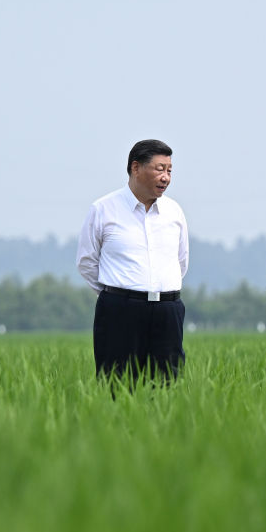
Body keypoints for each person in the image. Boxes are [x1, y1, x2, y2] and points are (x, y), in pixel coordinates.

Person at [76, 139, 189, 383]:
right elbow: (86, 262)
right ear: (136, 168)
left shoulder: (174, 212)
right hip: (120, 312)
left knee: (168, 387)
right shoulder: (103, 209)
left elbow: (181, 261)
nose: (166, 177)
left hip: (168, 311)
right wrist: (118, 293)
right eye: (160, 169)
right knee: (117, 384)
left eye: (170, 170)